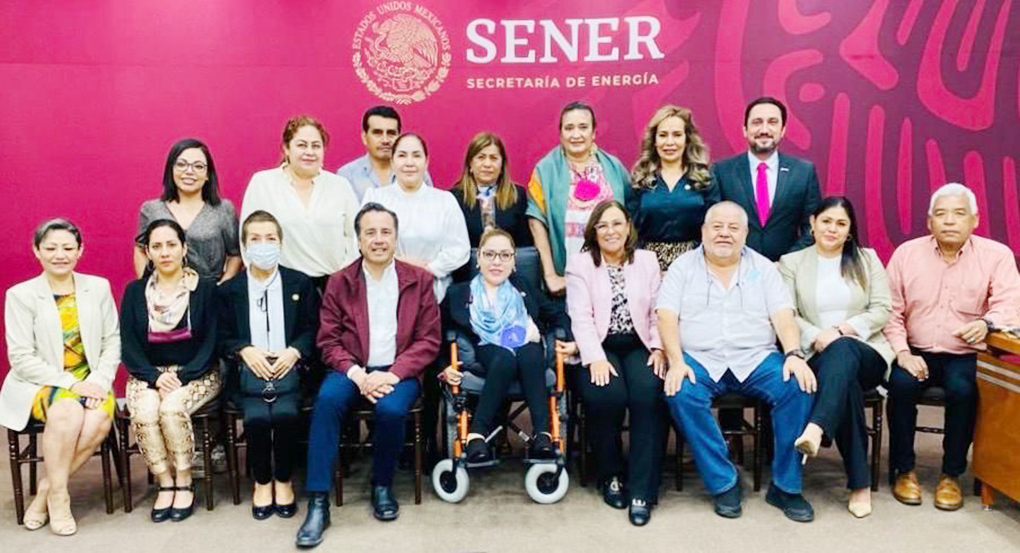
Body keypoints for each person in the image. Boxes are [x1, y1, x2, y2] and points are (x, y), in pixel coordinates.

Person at [657, 201, 817, 522]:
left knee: (798, 385)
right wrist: (676, 361)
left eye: (733, 228)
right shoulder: (682, 268)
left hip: (755, 357)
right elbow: (666, 316)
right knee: (680, 391)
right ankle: (724, 482)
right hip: (700, 358)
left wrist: (793, 354)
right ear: (703, 231)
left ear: (745, 233)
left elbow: (783, 315)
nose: (724, 234)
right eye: (717, 226)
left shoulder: (764, 268)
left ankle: (786, 487)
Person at [296, 203, 440, 548]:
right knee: (327, 402)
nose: (378, 239)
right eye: (370, 232)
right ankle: (318, 502)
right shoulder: (339, 281)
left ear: (396, 237)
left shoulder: (419, 280)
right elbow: (328, 341)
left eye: (386, 232)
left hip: (399, 370)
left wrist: (394, 374)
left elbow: (429, 340)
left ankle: (382, 485)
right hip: (351, 369)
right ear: (358, 240)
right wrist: (358, 375)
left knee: (390, 410)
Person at [884, 183, 1020, 511]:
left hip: (966, 353)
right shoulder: (906, 254)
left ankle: (951, 475)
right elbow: (890, 311)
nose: (949, 221)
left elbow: (1010, 304)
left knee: (964, 391)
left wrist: (987, 324)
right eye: (941, 214)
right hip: (915, 350)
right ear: (929, 221)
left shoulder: (996, 255)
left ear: (975, 220)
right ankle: (905, 470)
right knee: (901, 386)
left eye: (959, 214)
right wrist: (903, 353)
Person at [0, 218, 119, 536]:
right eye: (51, 248)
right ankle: (60, 497)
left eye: (67, 248)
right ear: (36, 250)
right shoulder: (21, 295)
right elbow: (21, 358)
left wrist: (99, 381)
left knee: (98, 419)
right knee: (68, 411)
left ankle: (46, 491)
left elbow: (112, 341)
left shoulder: (98, 287)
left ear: (80, 250)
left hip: (92, 378)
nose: (60, 255)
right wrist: (72, 384)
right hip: (41, 382)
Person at [778, 197, 893, 518]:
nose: (832, 229)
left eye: (841, 223)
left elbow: (882, 309)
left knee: (843, 349)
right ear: (812, 223)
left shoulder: (867, 259)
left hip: (867, 351)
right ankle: (859, 484)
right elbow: (786, 313)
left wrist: (840, 330)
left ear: (850, 229)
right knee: (846, 386)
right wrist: (817, 336)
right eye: (826, 221)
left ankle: (816, 428)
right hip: (815, 353)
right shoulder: (791, 262)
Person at [565, 200, 666, 526]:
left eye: (617, 223)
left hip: (640, 344)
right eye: (603, 225)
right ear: (594, 231)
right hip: (599, 344)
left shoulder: (647, 261)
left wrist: (659, 348)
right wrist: (594, 358)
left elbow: (658, 312)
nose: (611, 231)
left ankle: (642, 489)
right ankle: (610, 475)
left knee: (648, 394)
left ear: (628, 227)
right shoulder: (580, 265)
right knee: (606, 394)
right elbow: (580, 317)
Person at [217, 211, 320, 520]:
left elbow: (314, 328)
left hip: (292, 370)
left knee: (286, 414)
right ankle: (262, 482)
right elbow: (221, 335)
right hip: (247, 373)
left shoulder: (300, 283)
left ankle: (284, 479)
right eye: (255, 239)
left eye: (270, 238)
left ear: (280, 243)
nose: (263, 245)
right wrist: (243, 350)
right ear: (245, 245)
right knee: (258, 418)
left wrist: (295, 351)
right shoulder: (229, 290)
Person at [442, 228, 574, 462]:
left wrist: (569, 340)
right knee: (505, 358)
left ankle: (543, 435)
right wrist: (444, 367)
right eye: (490, 254)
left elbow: (557, 314)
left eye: (505, 255)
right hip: (487, 349)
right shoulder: (458, 293)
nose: (497, 262)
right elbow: (438, 332)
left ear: (513, 262)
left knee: (530, 354)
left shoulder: (523, 286)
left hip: (527, 345)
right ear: (479, 258)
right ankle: (476, 435)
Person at [121, 219, 221, 523]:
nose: (165, 252)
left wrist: (182, 376)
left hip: (196, 372)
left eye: (171, 245)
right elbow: (128, 345)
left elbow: (212, 341)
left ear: (184, 248)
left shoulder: (204, 289)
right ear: (148, 252)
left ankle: (185, 479)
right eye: (157, 246)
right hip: (149, 373)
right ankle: (165, 482)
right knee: (145, 413)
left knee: (171, 410)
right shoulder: (135, 292)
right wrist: (155, 377)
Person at [527, 101, 636, 295]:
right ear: (560, 134)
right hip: (566, 279)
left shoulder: (614, 167)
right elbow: (536, 222)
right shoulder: (545, 170)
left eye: (583, 127)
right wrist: (550, 275)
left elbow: (632, 215)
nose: (576, 134)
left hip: (615, 278)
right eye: (569, 128)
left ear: (594, 133)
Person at [241, 115, 359, 288]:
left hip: (334, 286)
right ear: (286, 148)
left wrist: (343, 277)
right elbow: (247, 239)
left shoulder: (340, 185)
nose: (309, 152)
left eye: (316, 146)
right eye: (302, 145)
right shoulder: (263, 183)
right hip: (280, 286)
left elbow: (356, 236)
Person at [362, 132, 470, 303]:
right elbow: (362, 243)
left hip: (432, 295)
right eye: (402, 155)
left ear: (426, 162)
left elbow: (459, 249)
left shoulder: (444, 201)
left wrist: (428, 268)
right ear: (392, 162)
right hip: (382, 293)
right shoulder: (375, 198)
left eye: (416, 155)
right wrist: (398, 264)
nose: (409, 162)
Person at [711, 97, 821, 262]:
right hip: (735, 267)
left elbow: (812, 227)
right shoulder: (722, 171)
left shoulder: (803, 172)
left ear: (782, 130)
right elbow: (713, 225)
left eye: (772, 122)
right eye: (757, 122)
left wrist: (786, 263)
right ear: (745, 130)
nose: (764, 129)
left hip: (786, 270)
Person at [134, 139, 241, 283]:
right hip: (164, 291)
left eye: (198, 166)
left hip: (210, 291)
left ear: (208, 174)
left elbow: (236, 254)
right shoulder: (151, 210)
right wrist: (146, 284)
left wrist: (222, 287)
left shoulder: (223, 209)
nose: (189, 171)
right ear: (171, 169)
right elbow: (140, 249)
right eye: (181, 164)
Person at [631, 105, 720, 272]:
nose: (669, 142)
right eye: (663, 135)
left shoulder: (704, 178)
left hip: (696, 265)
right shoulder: (640, 179)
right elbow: (631, 229)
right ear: (654, 140)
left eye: (677, 135)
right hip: (647, 266)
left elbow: (715, 225)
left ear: (687, 139)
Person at [450, 132, 532, 248]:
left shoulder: (517, 195)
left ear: (502, 165)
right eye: (481, 157)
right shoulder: (454, 198)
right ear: (470, 164)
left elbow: (525, 245)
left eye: (493, 158)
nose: (487, 164)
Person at [336, 105, 433, 201]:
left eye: (391, 133)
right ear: (364, 137)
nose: (385, 140)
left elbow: (430, 206)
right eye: (377, 133)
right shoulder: (347, 175)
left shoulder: (416, 172)